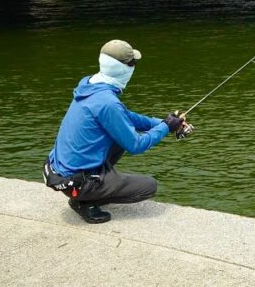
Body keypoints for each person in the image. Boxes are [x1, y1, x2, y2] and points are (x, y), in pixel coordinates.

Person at [43, 39, 188, 224]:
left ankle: (95, 187)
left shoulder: (89, 85)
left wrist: (164, 123)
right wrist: (166, 127)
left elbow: (125, 116)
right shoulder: (107, 102)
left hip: (62, 169)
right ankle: (84, 201)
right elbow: (136, 145)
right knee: (148, 187)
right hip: (76, 181)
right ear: (124, 69)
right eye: (132, 64)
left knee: (119, 137)